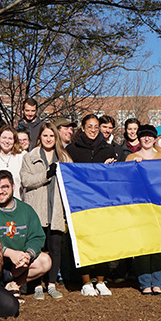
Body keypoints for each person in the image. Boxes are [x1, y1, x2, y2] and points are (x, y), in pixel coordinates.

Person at [20, 123, 72, 299]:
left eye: (51, 136)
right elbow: (26, 180)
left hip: (56, 209)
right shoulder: (30, 156)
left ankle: (51, 284)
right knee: (37, 247)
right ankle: (36, 285)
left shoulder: (64, 157)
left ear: (56, 138)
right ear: (40, 138)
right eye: (45, 136)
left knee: (55, 248)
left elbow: (72, 181)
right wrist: (46, 175)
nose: (48, 139)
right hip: (37, 209)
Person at [67, 114, 116, 296]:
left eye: (97, 127)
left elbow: (113, 178)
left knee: (103, 241)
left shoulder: (108, 149)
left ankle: (101, 281)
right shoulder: (72, 149)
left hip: (103, 202)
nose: (94, 130)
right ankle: (86, 282)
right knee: (84, 241)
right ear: (82, 127)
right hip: (81, 203)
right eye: (90, 126)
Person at [0, 171, 52, 296]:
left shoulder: (26, 210)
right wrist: (9, 252)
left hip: (19, 264)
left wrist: (28, 255)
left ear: (13, 186)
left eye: (5, 187)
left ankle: (14, 285)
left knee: (45, 261)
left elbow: (37, 237)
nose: (0, 191)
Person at [127, 124, 161, 295]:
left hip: (159, 208)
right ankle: (145, 282)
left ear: (155, 139)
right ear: (139, 138)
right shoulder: (131, 157)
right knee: (143, 246)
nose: (146, 138)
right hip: (139, 208)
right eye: (143, 135)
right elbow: (124, 181)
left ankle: (157, 283)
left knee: (159, 246)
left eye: (150, 136)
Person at [0, 126, 26, 199]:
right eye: (4, 138)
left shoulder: (21, 156)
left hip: (17, 200)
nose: (7, 141)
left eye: (10, 138)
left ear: (14, 141)